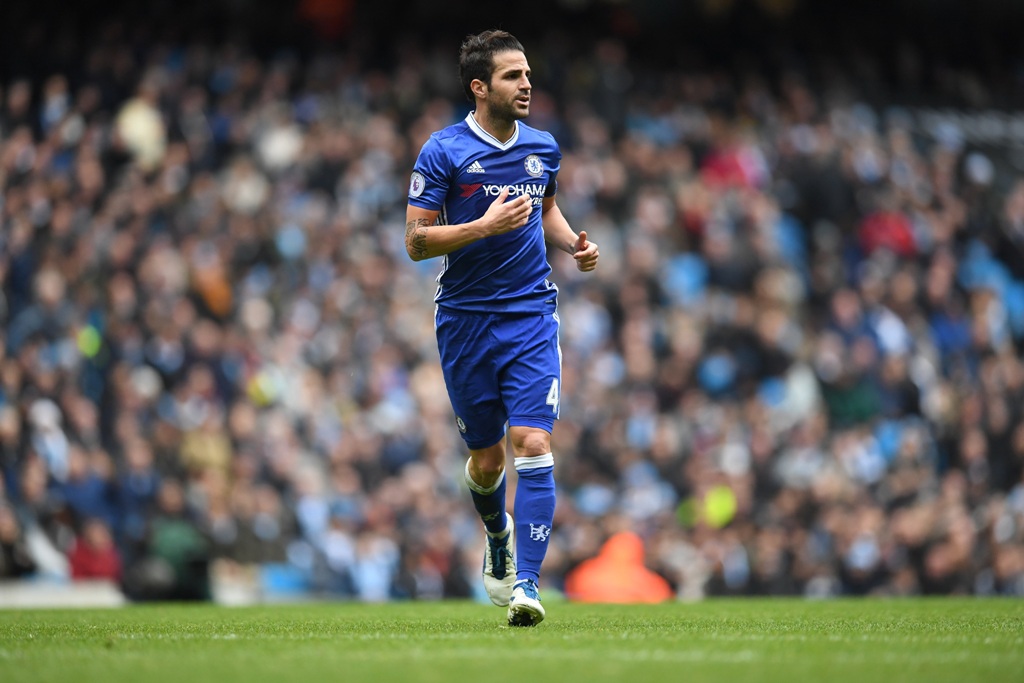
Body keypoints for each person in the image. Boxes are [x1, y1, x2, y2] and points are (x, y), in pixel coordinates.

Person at [405, 29, 599, 626]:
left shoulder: (542, 146)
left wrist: (572, 244)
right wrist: (482, 228)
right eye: (513, 76)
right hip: (464, 320)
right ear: (479, 86)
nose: (526, 84)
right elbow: (415, 241)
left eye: (528, 74)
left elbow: (544, 208)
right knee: (487, 463)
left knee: (534, 443)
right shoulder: (443, 151)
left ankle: (529, 586)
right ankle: (497, 536)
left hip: (531, 314)